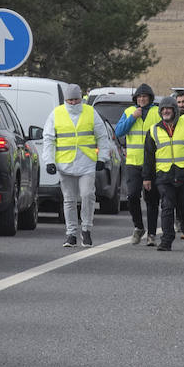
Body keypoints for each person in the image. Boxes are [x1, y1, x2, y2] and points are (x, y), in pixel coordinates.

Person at [41, 83, 113, 247]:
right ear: (66, 100)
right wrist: (49, 161)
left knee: (88, 195)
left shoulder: (90, 112)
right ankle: (71, 234)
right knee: (69, 199)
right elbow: (49, 139)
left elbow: (102, 137)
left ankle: (86, 229)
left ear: (81, 99)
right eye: (70, 100)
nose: (73, 103)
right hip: (65, 163)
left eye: (76, 99)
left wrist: (102, 158)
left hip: (86, 162)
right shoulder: (56, 114)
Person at [142, 95, 184, 250]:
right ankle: (166, 241)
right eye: (163, 109)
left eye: (169, 108)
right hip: (164, 176)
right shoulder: (153, 130)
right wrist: (147, 178)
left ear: (175, 110)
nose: (166, 111)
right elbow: (148, 157)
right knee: (167, 206)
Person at [113, 83, 160, 246]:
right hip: (133, 162)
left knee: (152, 199)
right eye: (139, 97)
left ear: (150, 98)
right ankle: (139, 227)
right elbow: (118, 132)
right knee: (132, 196)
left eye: (145, 96)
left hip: (153, 163)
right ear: (135, 99)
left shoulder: (157, 112)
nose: (141, 99)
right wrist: (133, 117)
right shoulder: (129, 112)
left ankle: (152, 234)